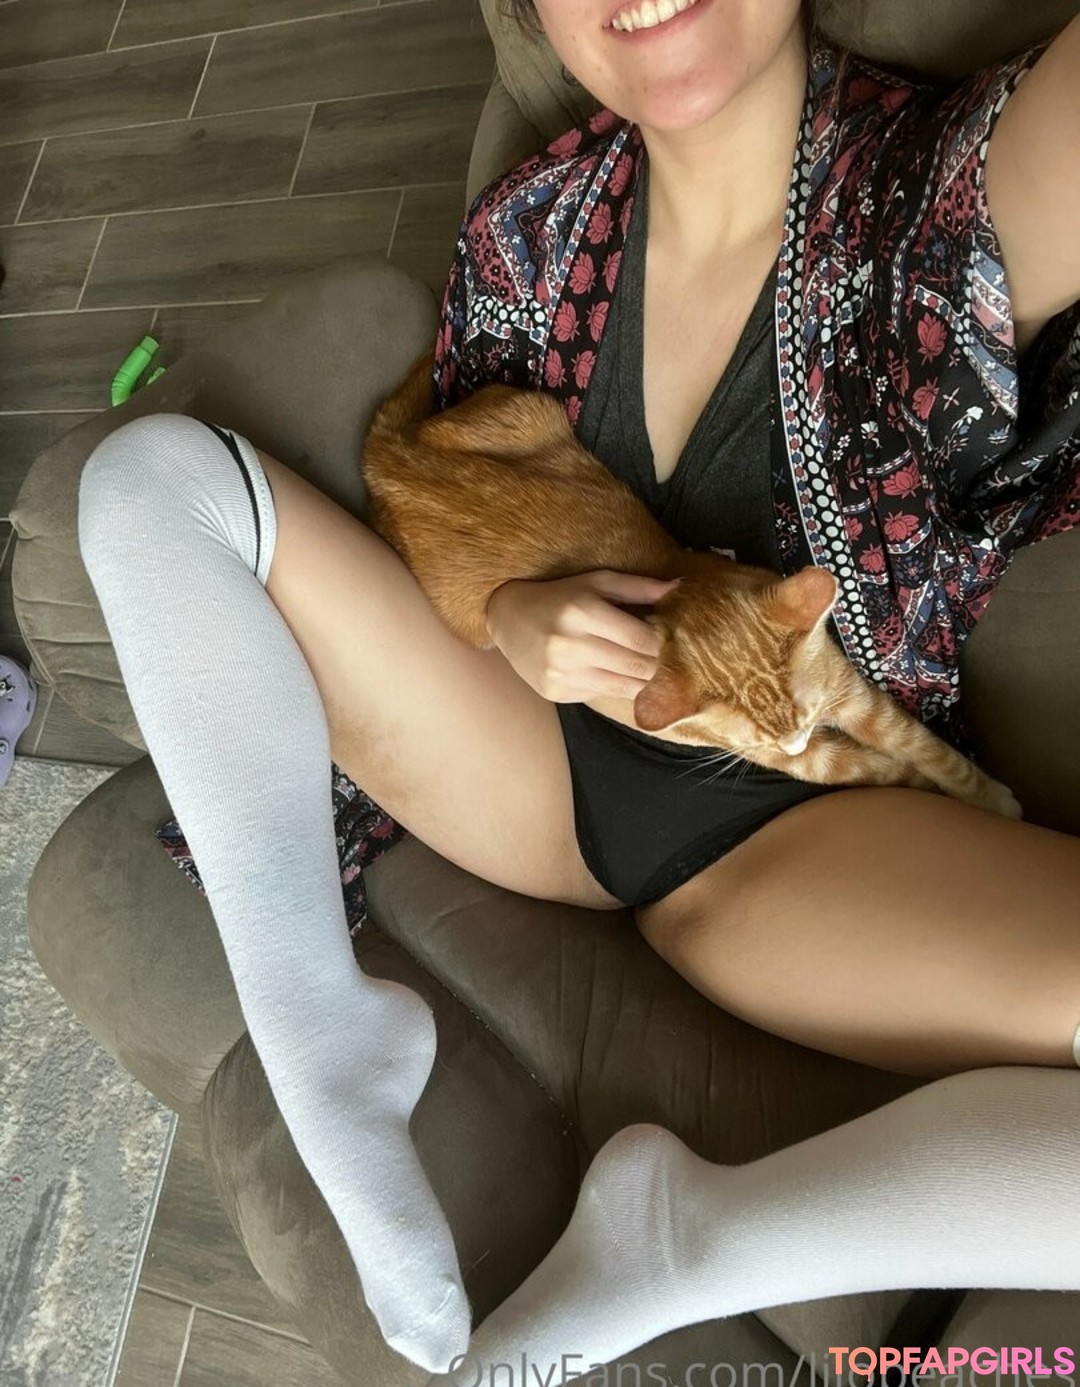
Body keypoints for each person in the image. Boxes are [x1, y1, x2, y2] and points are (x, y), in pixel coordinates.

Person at [74, 0, 1080, 1378]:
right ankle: (319, 1030)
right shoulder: (532, 232)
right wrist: (510, 613)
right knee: (145, 483)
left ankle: (696, 1239)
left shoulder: (941, 204)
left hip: (789, 835)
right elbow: (447, 499)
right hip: (530, 763)